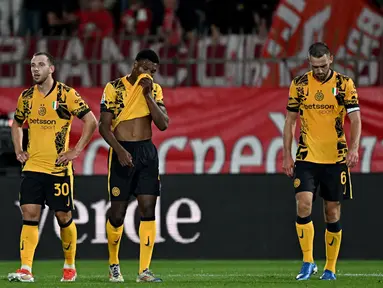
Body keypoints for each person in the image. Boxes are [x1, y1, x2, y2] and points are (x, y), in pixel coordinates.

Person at [7, 52, 98, 283]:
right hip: (33, 166)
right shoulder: (26, 97)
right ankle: (25, 269)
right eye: (32, 66)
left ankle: (70, 266)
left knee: (63, 216)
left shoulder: (66, 94)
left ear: (51, 69)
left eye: (40, 65)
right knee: (29, 214)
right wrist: (19, 149)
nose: (35, 69)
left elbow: (91, 120)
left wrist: (75, 151)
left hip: (58, 168)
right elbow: (16, 123)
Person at [282, 42, 361, 281]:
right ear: (309, 63)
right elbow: (290, 121)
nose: (318, 70)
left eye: (323, 65)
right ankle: (307, 262)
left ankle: (330, 268)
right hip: (307, 156)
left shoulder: (344, 84)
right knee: (303, 204)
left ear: (331, 60)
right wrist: (287, 153)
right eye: (314, 66)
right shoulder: (300, 84)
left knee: (332, 212)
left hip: (335, 158)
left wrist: (354, 148)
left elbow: (355, 119)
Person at [99, 49, 169, 283]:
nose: (150, 73)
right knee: (117, 215)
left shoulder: (154, 89)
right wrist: (119, 150)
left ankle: (144, 271)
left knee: (148, 210)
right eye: (147, 68)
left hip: (146, 152)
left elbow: (163, 125)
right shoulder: (114, 88)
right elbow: (103, 126)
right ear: (136, 63)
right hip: (122, 151)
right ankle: (113, 264)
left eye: (154, 71)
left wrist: (148, 95)